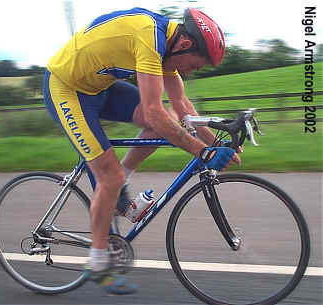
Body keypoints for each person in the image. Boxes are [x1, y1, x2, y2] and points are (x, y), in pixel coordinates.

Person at [43, 7, 240, 295]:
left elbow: (182, 106)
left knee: (166, 123)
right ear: (185, 45)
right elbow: (153, 111)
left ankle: (120, 184)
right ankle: (98, 264)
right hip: (67, 89)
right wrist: (203, 152)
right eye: (195, 66)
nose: (189, 72)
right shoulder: (150, 38)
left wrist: (216, 145)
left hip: (101, 88)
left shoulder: (170, 47)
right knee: (109, 176)